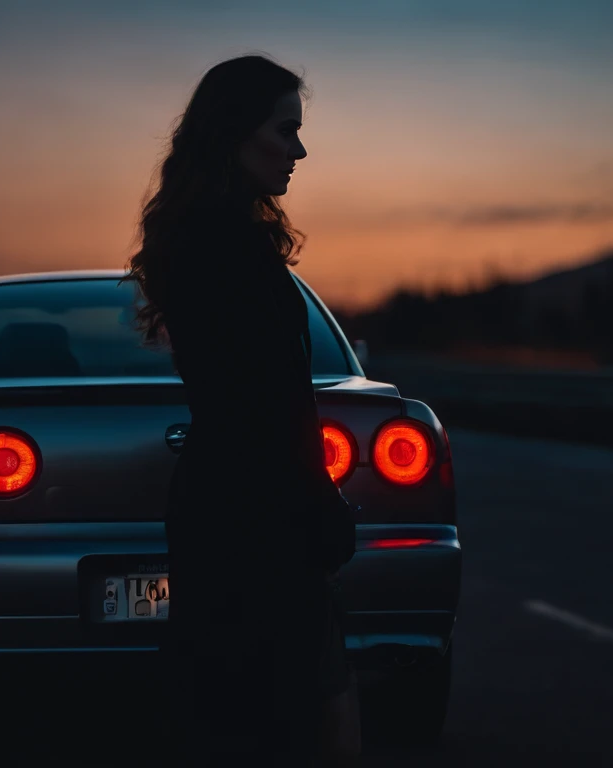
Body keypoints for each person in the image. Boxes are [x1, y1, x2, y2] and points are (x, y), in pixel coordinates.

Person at [121, 54, 360, 765]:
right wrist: (318, 508)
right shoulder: (223, 248)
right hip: (257, 517)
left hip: (230, 508)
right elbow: (265, 402)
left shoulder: (203, 237)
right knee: (296, 713)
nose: (299, 150)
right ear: (235, 132)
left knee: (252, 713)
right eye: (285, 131)